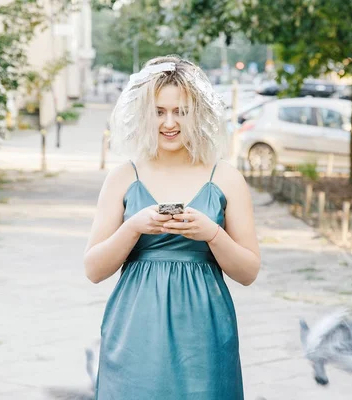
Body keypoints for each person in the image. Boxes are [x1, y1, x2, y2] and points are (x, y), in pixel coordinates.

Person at [83, 55, 261, 400]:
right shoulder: (123, 177)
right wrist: (133, 227)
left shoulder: (225, 177)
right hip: (136, 331)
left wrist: (212, 233)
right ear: (143, 114)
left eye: (180, 111)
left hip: (204, 333)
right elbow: (93, 269)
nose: (169, 123)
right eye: (159, 111)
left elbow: (249, 271)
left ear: (198, 113)